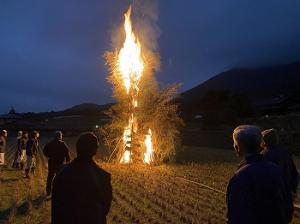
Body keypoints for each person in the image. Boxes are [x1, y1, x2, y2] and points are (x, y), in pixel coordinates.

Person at [227, 125, 293, 224]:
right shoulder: (277, 170)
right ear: (260, 145)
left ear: (237, 148)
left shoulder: (240, 177)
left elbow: (236, 217)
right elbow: (288, 206)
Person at [52, 132, 112, 224]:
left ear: (77, 148)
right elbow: (104, 209)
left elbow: (56, 208)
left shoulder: (61, 174)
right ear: (95, 150)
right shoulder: (102, 177)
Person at [261, 128, 299, 198]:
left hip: (273, 194)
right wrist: (293, 189)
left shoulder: (263, 155)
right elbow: (294, 173)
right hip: (287, 190)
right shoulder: (285, 153)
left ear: (264, 141)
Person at [43, 131, 70, 196]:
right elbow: (67, 153)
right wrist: (67, 160)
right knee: (59, 178)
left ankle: (48, 191)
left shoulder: (50, 143)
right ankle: (58, 191)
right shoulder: (63, 144)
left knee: (50, 177)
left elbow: (44, 151)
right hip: (60, 163)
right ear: (60, 136)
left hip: (52, 162)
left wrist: (49, 156)